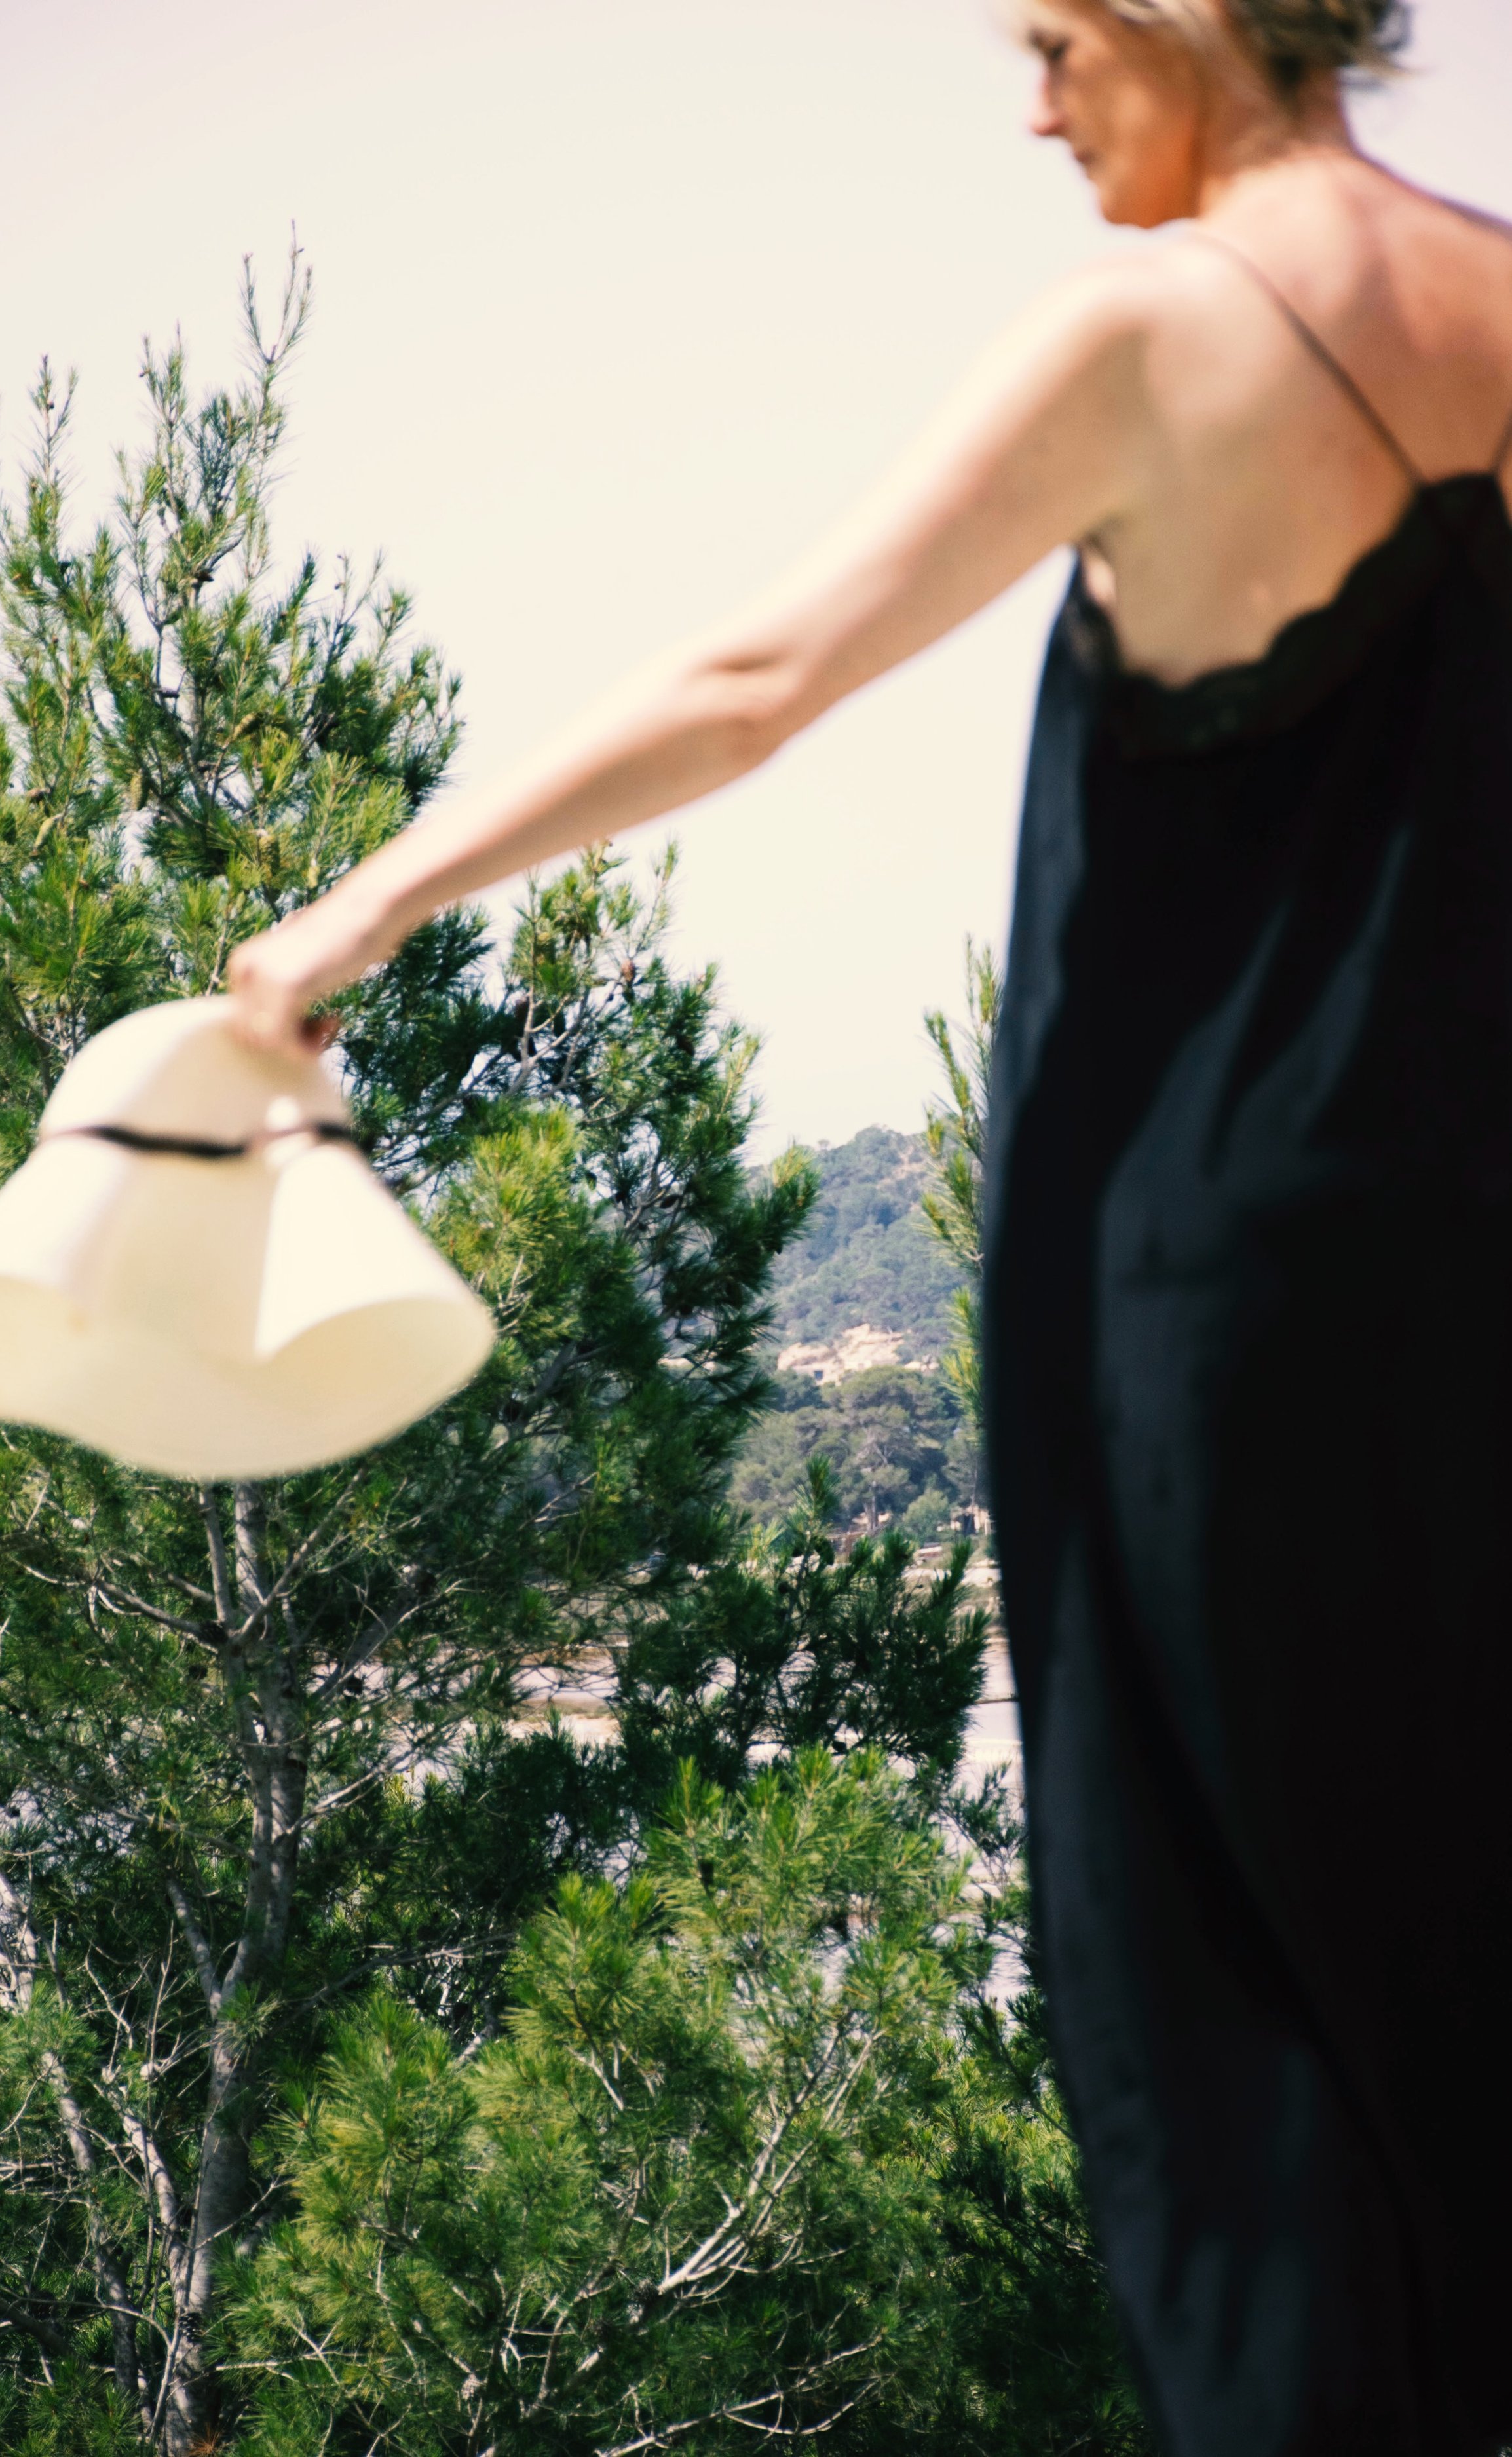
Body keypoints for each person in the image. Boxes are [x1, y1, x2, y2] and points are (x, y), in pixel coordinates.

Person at [229, 5, 1512, 2450]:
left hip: (1198, 1291)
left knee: (1220, 1999)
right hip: (1459, 1278)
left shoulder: (1155, 330)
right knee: (1442, 1932)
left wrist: (355, 916)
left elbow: (752, 680)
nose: (1029, 108)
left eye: (1049, 40)